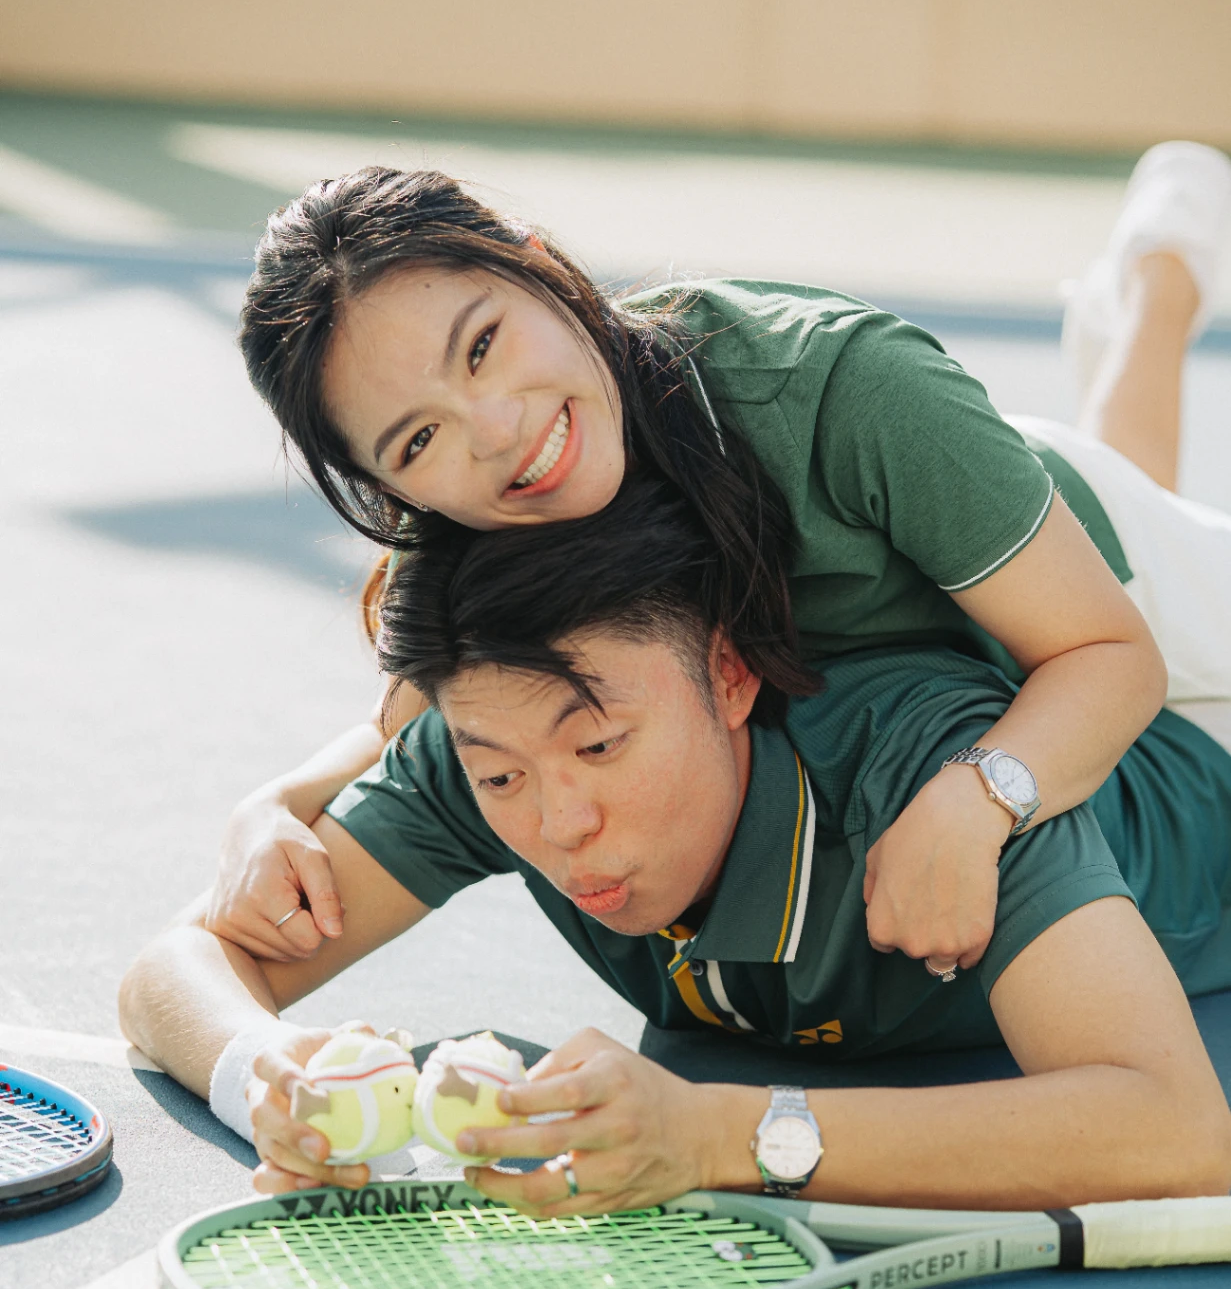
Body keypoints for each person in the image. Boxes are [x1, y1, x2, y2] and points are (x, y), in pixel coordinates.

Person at [206, 143, 1231, 988]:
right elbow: (427, 719)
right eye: (415, 440)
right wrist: (277, 804)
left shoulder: (847, 389)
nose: (498, 431)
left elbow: (1110, 658)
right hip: (985, 595)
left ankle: (1160, 278)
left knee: (1140, 523)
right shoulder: (472, 516)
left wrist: (973, 797)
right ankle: (1153, 285)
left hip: (1099, 560)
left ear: (531, 259)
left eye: (480, 346)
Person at [118, 471, 1231, 1216]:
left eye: (600, 745)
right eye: (501, 774)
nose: (557, 822)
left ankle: (1153, 293)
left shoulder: (923, 772)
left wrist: (716, 1133)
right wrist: (257, 1072)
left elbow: (1177, 1127)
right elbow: (177, 966)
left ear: (731, 675)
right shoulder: (496, 746)